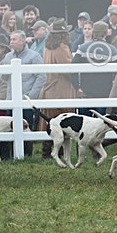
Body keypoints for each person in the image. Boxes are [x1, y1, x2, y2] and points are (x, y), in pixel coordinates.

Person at [1, 30, 47, 154]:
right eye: (10, 39)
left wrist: (31, 95)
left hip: (26, 98)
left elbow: (41, 76)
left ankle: (27, 154)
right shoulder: (8, 56)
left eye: (14, 39)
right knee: (9, 127)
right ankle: (11, 154)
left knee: (26, 127)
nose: (11, 42)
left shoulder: (34, 56)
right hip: (11, 98)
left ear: (22, 41)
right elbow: (3, 77)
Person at [38, 19, 77, 159]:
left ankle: (47, 151)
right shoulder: (61, 47)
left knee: (50, 120)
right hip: (62, 87)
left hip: (49, 87)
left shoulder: (47, 46)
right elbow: (68, 69)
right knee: (62, 120)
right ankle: (59, 152)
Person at [72, 20, 117, 117]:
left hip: (86, 91)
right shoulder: (112, 50)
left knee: (85, 126)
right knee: (101, 125)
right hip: (105, 92)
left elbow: (72, 68)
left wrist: (77, 87)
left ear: (93, 32)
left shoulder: (82, 48)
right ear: (106, 33)